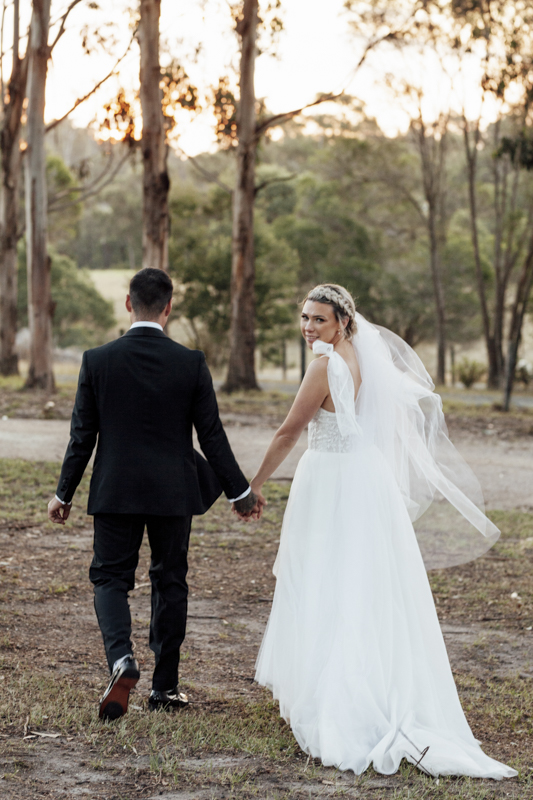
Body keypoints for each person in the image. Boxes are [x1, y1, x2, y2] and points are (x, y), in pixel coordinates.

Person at [251, 283, 517, 779]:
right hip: (366, 479)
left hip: (331, 480)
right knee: (363, 585)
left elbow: (289, 431)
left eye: (320, 320)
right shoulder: (368, 361)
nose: (309, 327)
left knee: (328, 581)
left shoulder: (324, 366)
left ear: (344, 323)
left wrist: (251, 486)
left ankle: (340, 698)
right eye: (304, 317)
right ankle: (357, 683)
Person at [47, 267, 262, 721]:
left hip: (114, 490)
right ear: (169, 308)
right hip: (172, 493)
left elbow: (81, 436)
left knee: (109, 579)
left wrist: (63, 494)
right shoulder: (191, 363)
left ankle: (121, 659)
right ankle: (164, 688)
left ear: (128, 303)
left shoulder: (97, 360)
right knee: (170, 580)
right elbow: (213, 437)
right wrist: (239, 492)